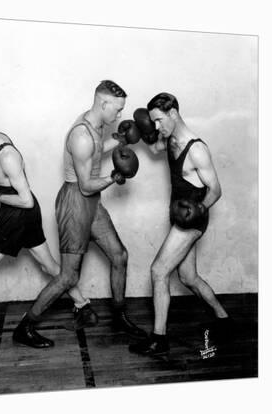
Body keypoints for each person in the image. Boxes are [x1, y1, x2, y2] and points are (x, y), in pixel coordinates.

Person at [0, 109, 94, 351]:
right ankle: (84, 306)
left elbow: (26, 201)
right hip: (21, 215)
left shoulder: (7, 157)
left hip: (18, 215)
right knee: (50, 266)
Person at [13, 80, 147, 348]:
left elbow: (98, 150)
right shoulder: (82, 135)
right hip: (76, 201)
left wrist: (119, 139)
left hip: (92, 203)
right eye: (117, 110)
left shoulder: (97, 126)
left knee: (119, 256)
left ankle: (119, 316)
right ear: (103, 103)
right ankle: (24, 327)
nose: (120, 116)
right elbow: (86, 185)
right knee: (69, 277)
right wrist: (115, 175)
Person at [129, 93, 230, 356]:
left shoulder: (196, 149)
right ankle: (223, 319)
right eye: (154, 122)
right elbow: (154, 148)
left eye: (160, 120)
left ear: (173, 113)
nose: (158, 127)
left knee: (158, 271)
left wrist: (199, 209)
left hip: (192, 218)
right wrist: (138, 131)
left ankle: (159, 339)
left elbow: (216, 190)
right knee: (188, 277)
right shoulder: (168, 137)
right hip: (178, 213)